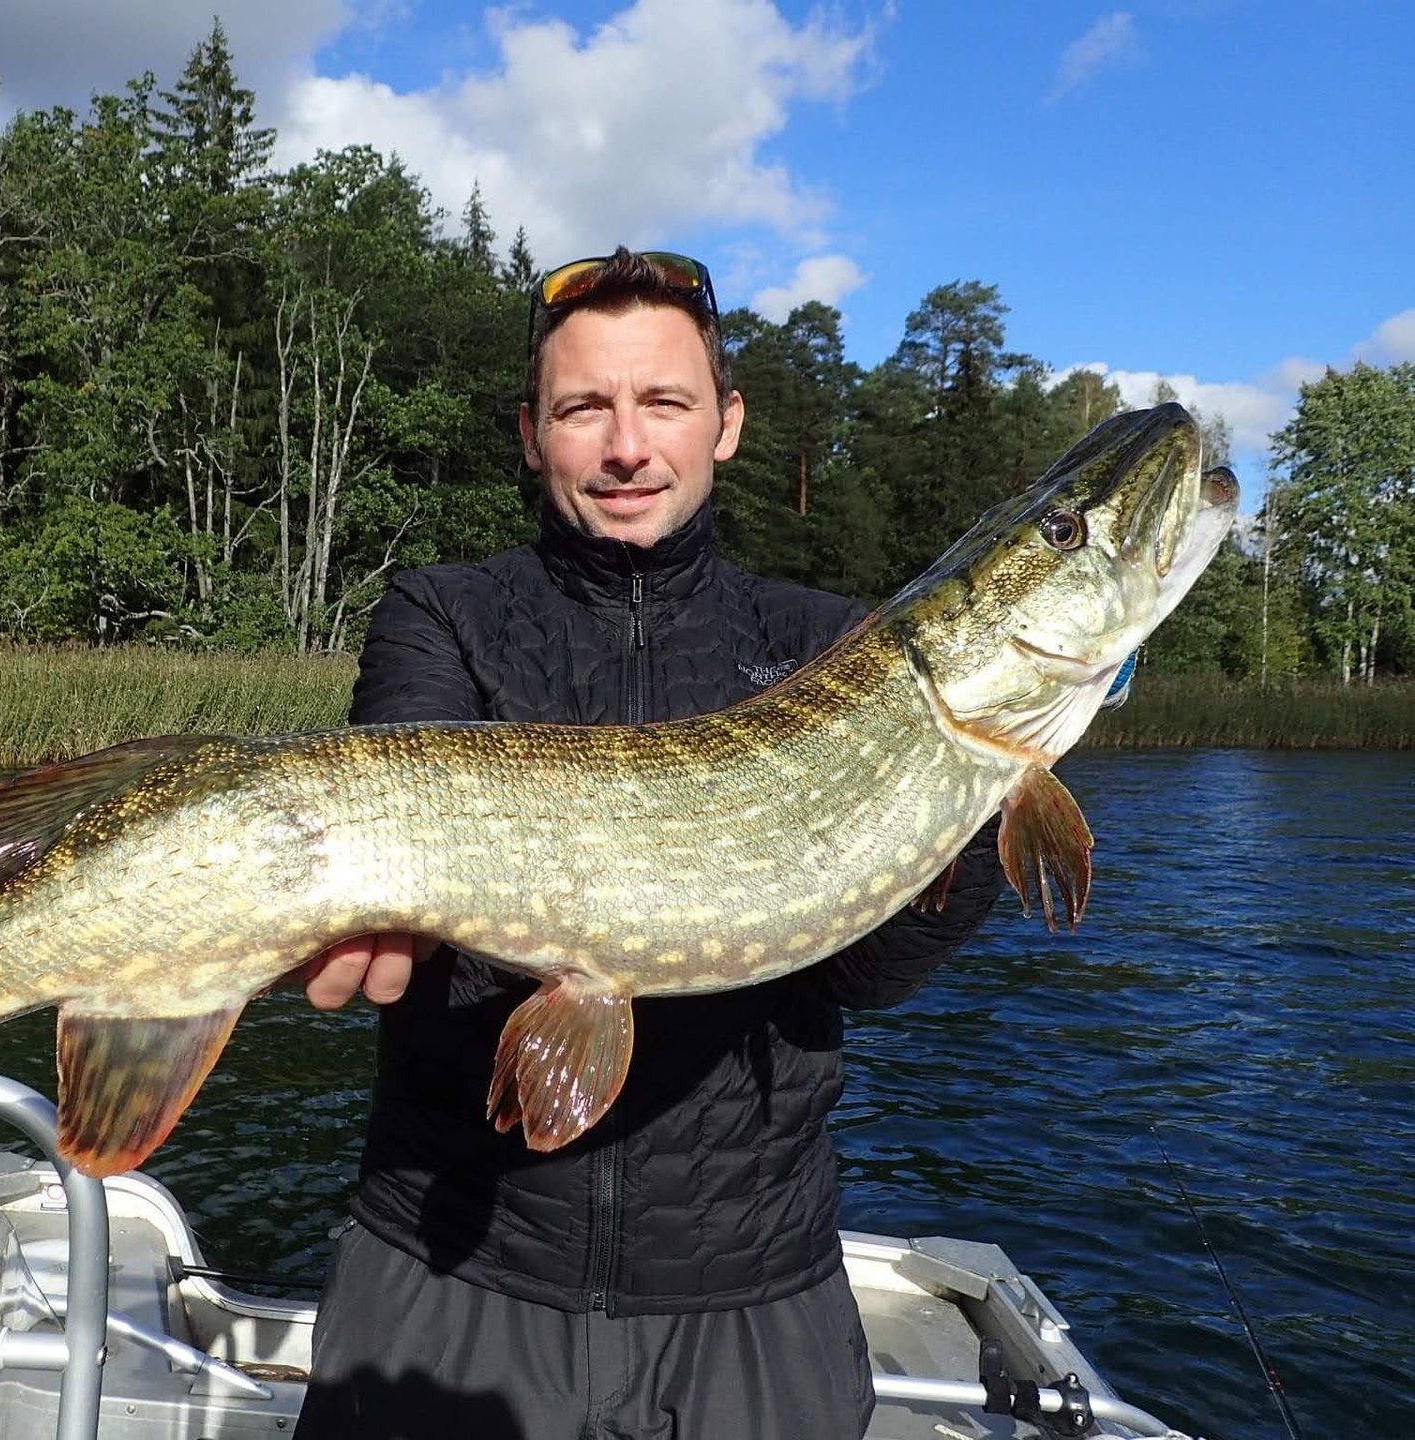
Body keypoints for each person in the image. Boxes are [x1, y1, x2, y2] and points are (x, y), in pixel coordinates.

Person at [292, 248, 1004, 1439]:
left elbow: (869, 973)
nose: (628, 446)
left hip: (750, 1301)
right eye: (586, 408)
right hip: (447, 1264)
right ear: (532, 434)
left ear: (725, 424)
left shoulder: (833, 642)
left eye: (664, 402)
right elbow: (411, 839)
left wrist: (985, 763)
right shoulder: (443, 611)